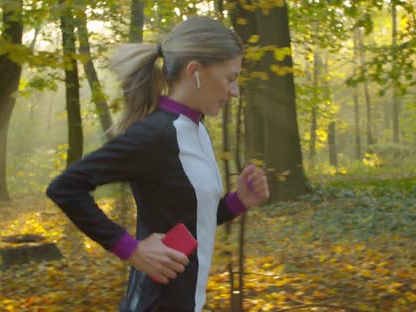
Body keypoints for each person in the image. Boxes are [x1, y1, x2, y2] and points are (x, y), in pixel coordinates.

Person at [45, 16, 270, 312]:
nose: (235, 90)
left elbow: (190, 218)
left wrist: (238, 201)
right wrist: (131, 249)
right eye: (230, 78)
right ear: (195, 72)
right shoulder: (156, 134)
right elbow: (65, 188)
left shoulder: (197, 129)